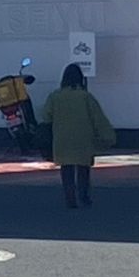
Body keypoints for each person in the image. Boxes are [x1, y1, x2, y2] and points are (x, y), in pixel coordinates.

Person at [40, 63, 115, 208]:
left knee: (66, 169)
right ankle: (83, 196)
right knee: (83, 168)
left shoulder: (55, 96)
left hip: (62, 138)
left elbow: (46, 116)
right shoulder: (86, 97)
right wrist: (107, 136)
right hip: (83, 138)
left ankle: (70, 198)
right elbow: (98, 118)